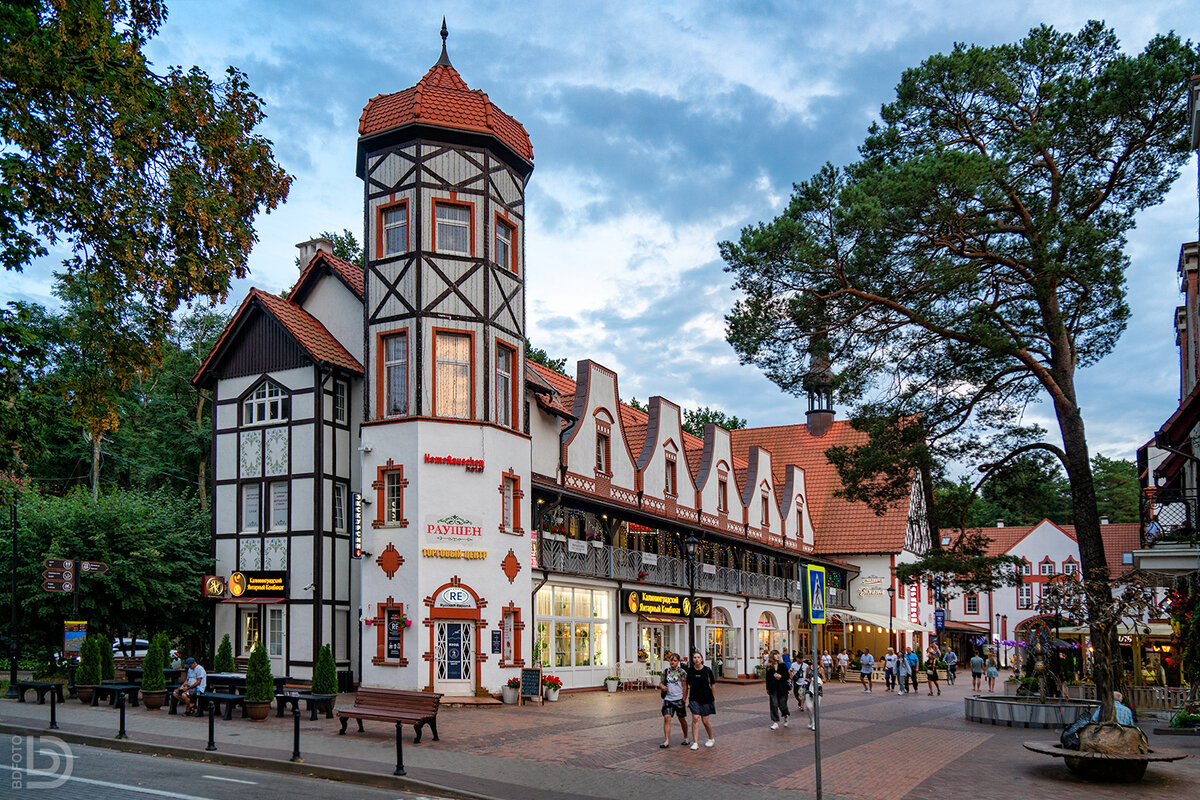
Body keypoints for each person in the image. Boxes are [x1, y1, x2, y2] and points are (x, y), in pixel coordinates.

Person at [685, 651, 717, 750]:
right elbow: (688, 685)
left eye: (698, 657)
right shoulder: (690, 671)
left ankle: (711, 738)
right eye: (695, 657)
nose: (697, 659)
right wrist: (686, 699)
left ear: (702, 659)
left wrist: (712, 697)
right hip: (694, 698)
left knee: (705, 720)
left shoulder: (707, 670)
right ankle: (695, 742)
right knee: (695, 718)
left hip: (706, 698)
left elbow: (712, 684)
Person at [659, 652, 689, 748]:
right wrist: (663, 687)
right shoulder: (666, 671)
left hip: (679, 698)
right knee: (667, 718)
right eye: (671, 660)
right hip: (668, 698)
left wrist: (684, 699)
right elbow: (661, 683)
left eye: (675, 661)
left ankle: (686, 737)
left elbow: (685, 687)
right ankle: (667, 740)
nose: (672, 662)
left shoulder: (682, 672)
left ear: (678, 662)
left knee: (681, 719)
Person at [764, 650, 790, 729]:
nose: (778, 656)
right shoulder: (769, 667)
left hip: (782, 688)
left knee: (782, 705)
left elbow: (787, 676)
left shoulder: (783, 666)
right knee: (774, 704)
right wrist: (768, 688)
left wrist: (781, 677)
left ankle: (785, 716)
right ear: (772, 656)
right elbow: (767, 678)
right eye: (775, 654)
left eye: (778, 654)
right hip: (773, 688)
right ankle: (775, 722)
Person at [805, 662, 824, 730]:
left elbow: (824, 680)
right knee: (808, 706)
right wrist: (809, 680)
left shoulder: (820, 669)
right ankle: (811, 720)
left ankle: (814, 723)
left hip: (818, 690)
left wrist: (818, 681)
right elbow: (806, 677)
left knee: (816, 707)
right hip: (809, 689)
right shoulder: (808, 668)